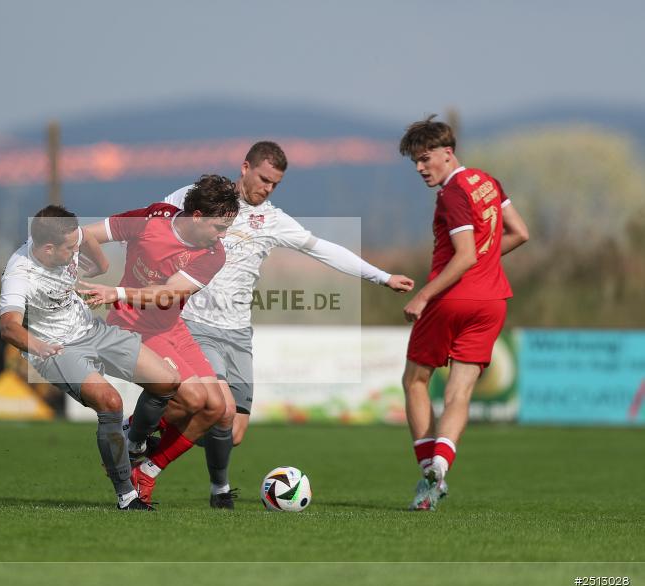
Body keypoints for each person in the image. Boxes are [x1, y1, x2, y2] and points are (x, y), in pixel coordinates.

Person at [153, 141, 414, 508]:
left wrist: (381, 277)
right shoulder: (200, 198)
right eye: (263, 179)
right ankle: (166, 458)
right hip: (196, 322)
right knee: (220, 408)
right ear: (245, 167)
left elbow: (322, 249)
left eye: (275, 184)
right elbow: (153, 224)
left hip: (239, 332)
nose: (267, 189)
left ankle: (203, 473)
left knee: (234, 430)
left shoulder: (273, 220)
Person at [0, 205, 181, 511]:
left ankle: (133, 441)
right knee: (110, 402)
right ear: (47, 249)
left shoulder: (65, 238)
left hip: (92, 330)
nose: (75, 250)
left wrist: (101, 263)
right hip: (56, 349)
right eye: (70, 248)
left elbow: (84, 237)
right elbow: (8, 327)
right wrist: (39, 346)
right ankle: (127, 495)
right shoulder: (20, 275)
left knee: (167, 381)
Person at [79, 174, 239, 504]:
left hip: (171, 328)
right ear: (197, 216)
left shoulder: (213, 254)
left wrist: (116, 291)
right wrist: (91, 264)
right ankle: (133, 437)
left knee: (219, 409)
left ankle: (145, 470)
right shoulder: (152, 219)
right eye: (219, 228)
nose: (223, 237)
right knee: (194, 399)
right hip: (131, 325)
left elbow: (167, 294)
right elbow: (86, 234)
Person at [398, 116, 529, 511]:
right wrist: (488, 262)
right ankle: (441, 465)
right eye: (415, 162)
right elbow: (520, 232)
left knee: (416, 381)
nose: (420, 168)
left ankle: (426, 473)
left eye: (425, 159)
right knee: (459, 392)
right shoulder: (487, 181)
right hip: (492, 303)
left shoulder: (451, 194)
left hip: (452, 299)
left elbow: (466, 255)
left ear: (447, 152)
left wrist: (423, 296)